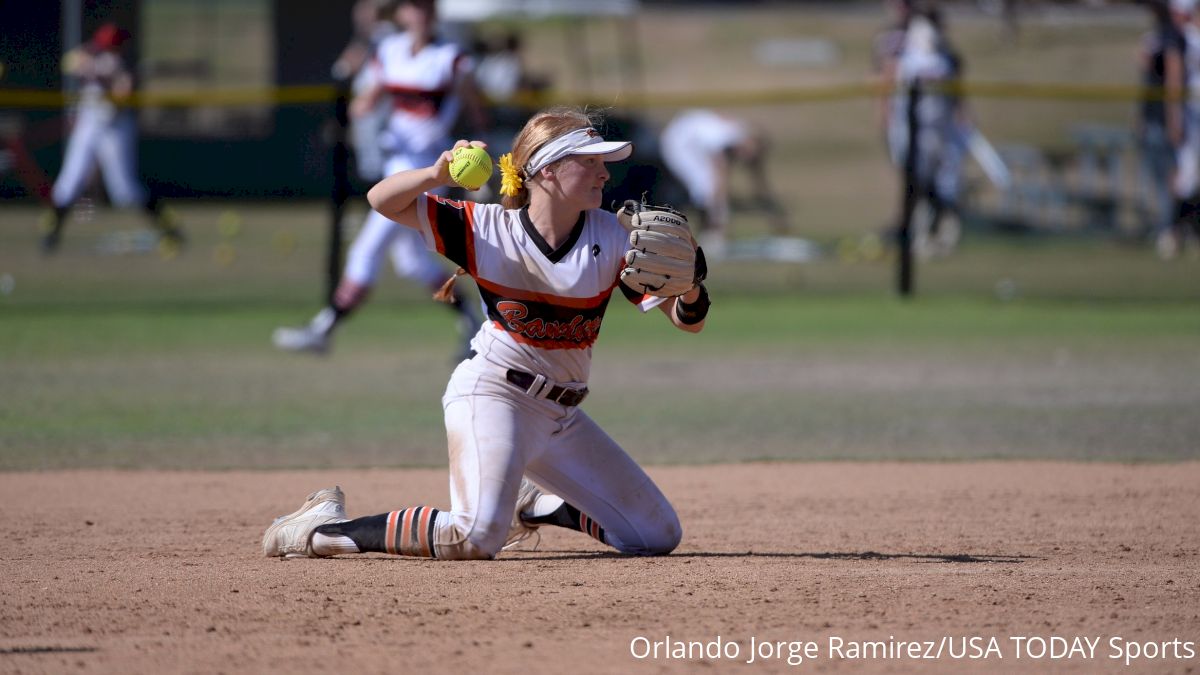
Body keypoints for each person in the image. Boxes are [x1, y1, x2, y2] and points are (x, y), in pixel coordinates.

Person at [262, 107, 708, 561]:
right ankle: (319, 529)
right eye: (589, 161)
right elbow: (382, 200)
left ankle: (535, 503)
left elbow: (687, 320)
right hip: (494, 396)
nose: (603, 173)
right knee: (473, 537)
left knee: (655, 535)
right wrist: (435, 173)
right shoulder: (487, 228)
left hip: (562, 416)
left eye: (603, 161)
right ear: (547, 169)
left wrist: (690, 287)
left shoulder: (614, 236)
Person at [272, 0, 484, 357]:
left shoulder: (451, 56)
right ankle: (474, 324)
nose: (420, 14)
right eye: (412, 7)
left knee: (366, 248)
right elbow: (368, 99)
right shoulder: (390, 50)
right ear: (401, 14)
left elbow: (474, 105)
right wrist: (351, 109)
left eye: (425, 7)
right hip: (396, 164)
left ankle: (323, 329)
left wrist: (483, 138)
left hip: (431, 165)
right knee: (413, 262)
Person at [41, 22, 185, 255]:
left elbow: (122, 93)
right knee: (68, 183)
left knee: (125, 192)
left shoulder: (123, 67)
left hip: (115, 128)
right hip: (89, 124)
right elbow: (70, 61)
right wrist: (91, 66)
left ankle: (169, 228)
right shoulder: (92, 53)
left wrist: (109, 77)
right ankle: (51, 237)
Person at [885, 8, 968, 258]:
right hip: (912, 131)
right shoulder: (905, 57)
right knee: (916, 185)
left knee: (943, 184)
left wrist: (962, 121)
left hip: (939, 133)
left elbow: (957, 96)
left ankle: (943, 233)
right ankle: (918, 235)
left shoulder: (947, 59)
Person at [658, 109, 790, 256]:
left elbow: (760, 183)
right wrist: (722, 224)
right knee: (706, 185)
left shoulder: (745, 139)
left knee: (708, 187)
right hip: (679, 140)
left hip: (694, 137)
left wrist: (776, 217)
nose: (748, 158)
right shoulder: (725, 142)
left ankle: (710, 233)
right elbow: (720, 185)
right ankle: (711, 234)